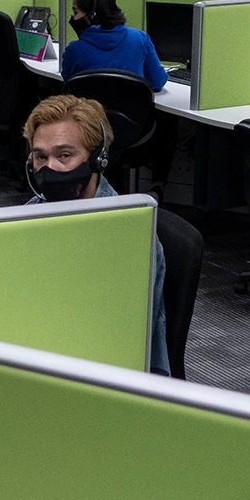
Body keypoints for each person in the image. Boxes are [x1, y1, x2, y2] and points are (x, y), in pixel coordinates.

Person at [23, 94, 170, 375]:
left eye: (64, 155)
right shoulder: (27, 215)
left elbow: (120, 341)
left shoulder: (127, 237)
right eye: (40, 156)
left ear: (98, 159)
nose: (49, 167)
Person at [62, 0, 167, 91]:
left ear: (92, 16)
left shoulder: (73, 50)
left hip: (90, 108)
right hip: (131, 107)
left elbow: (69, 89)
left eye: (75, 12)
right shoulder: (140, 38)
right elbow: (157, 82)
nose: (74, 18)